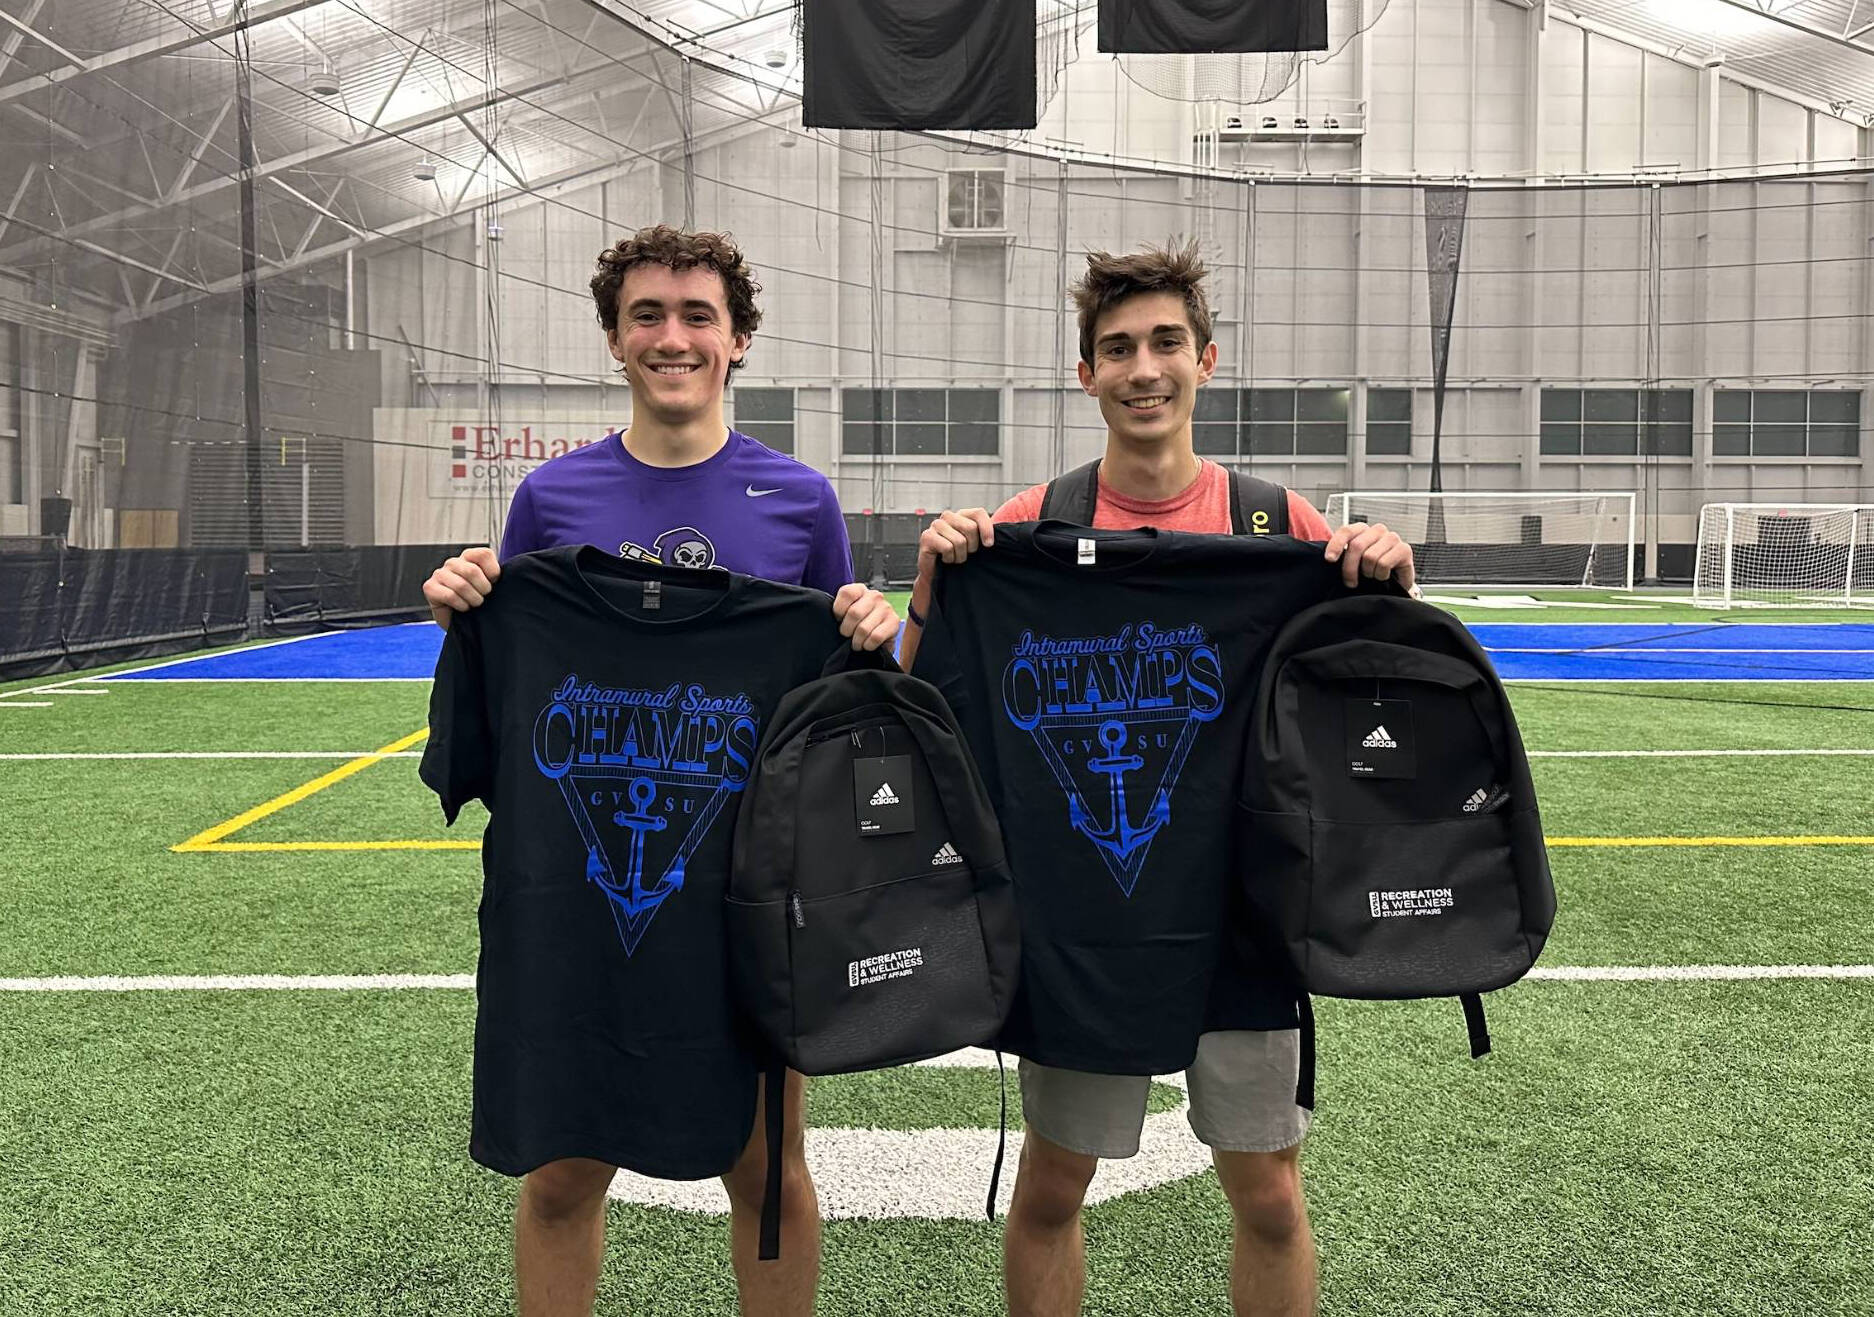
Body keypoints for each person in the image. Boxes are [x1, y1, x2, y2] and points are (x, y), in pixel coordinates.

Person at [898, 242, 1416, 1317]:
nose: (1144, 368)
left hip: (1237, 910)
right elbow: (922, 714)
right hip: (1082, 916)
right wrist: (933, 586)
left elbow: (1371, 707)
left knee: (1268, 1191)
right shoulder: (1027, 527)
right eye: (1117, 348)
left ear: (1205, 361)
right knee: (1050, 1184)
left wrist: (1387, 584)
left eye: (1165, 344)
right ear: (1083, 374)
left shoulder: (1276, 525)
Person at [422, 224, 898, 1317]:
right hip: (583, 898)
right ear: (612, 338)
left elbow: (842, 712)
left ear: (736, 343)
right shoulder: (552, 499)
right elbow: (518, 677)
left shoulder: (800, 500)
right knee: (563, 1163)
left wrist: (876, 635)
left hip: (752, 894)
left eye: (696, 317)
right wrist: (465, 609)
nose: (671, 337)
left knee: (764, 1168)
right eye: (647, 315)